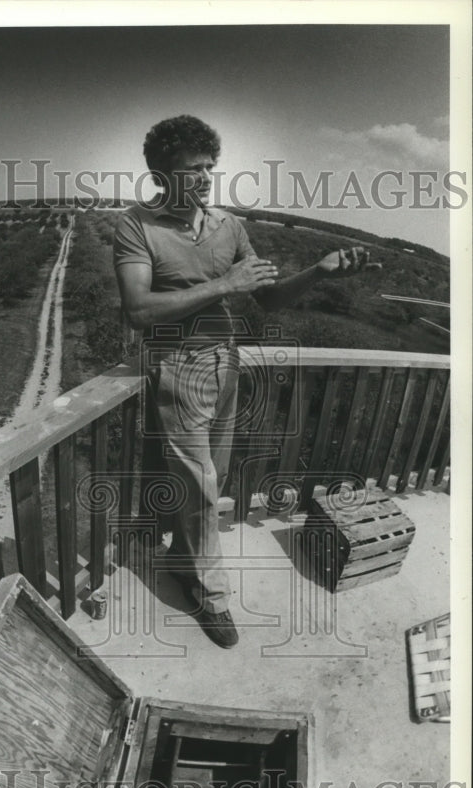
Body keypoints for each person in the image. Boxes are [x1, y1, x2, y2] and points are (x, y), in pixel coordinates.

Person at [113, 114, 378, 649]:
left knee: (215, 477)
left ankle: (180, 562)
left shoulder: (229, 226)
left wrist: (318, 272)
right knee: (203, 491)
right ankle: (212, 598)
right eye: (194, 168)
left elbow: (268, 294)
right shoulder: (136, 226)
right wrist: (224, 282)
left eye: (211, 165)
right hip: (178, 370)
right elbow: (139, 311)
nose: (207, 176)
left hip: (225, 364)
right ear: (163, 174)